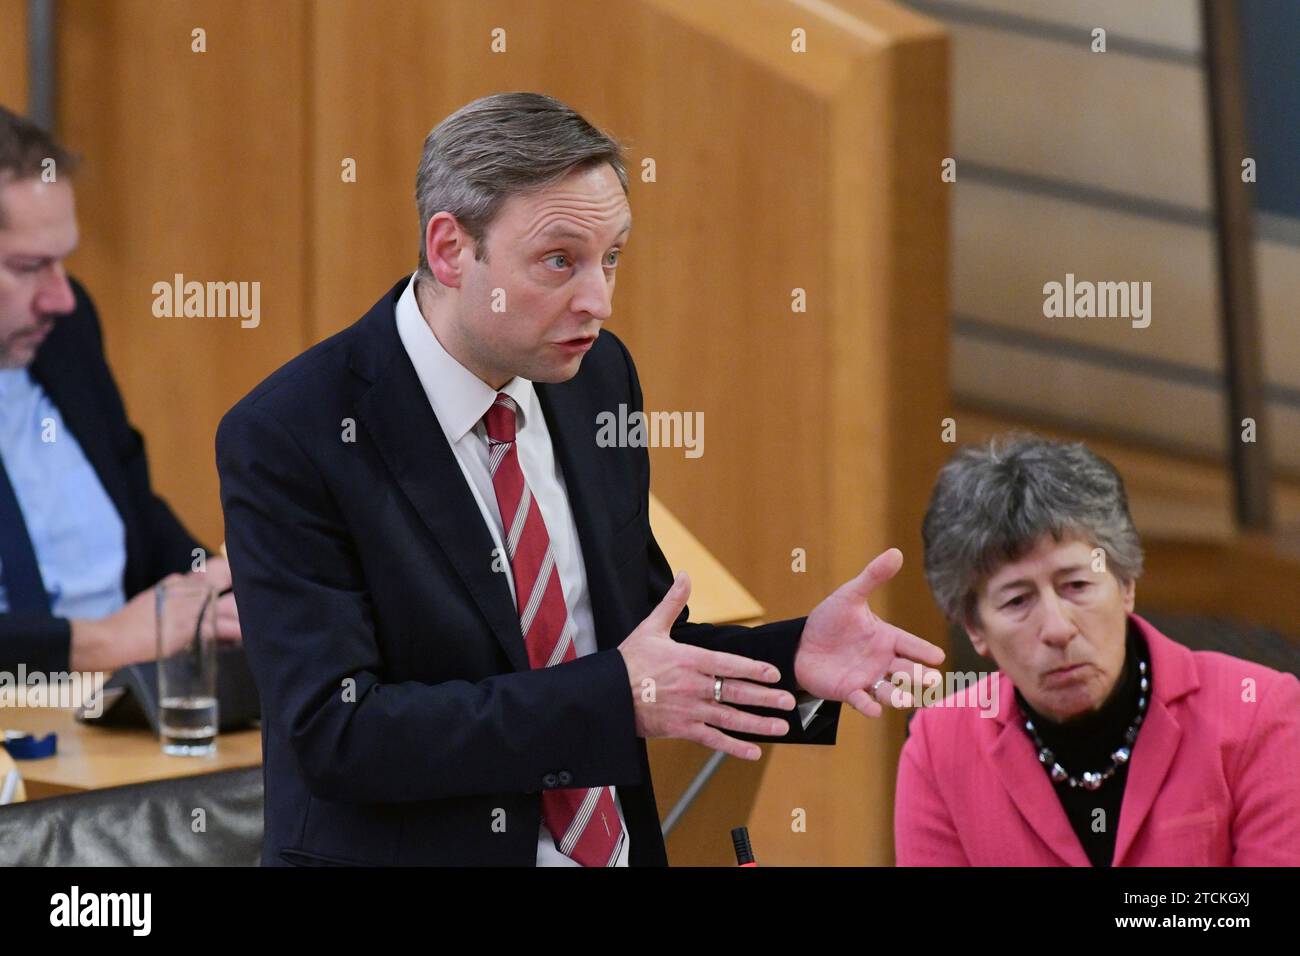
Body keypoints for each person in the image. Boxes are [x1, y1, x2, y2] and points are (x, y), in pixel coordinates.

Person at [217, 91, 946, 866]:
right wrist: (612, 698)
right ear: (451, 251)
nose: (598, 301)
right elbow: (339, 735)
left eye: (613, 258)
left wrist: (793, 655)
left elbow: (630, 649)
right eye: (560, 261)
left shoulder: (598, 378)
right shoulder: (292, 433)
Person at [895, 433, 1300, 865]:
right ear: (975, 628)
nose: (1057, 628)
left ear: (1125, 585)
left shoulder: (1258, 712)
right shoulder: (939, 747)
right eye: (1017, 601)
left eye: (1076, 586)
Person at [0, 106, 240, 675]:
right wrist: (96, 642)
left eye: (63, 263)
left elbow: (131, 503)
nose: (59, 297)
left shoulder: (66, 331)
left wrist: (210, 590)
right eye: (31, 266)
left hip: (117, 713)